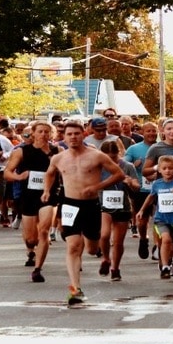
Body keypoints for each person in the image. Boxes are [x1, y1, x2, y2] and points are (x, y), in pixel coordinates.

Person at [42, 121, 124, 304]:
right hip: (69, 204)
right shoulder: (58, 158)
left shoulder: (97, 156)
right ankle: (75, 289)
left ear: (83, 135)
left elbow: (118, 174)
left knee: (91, 248)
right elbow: (49, 174)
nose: (73, 137)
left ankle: (99, 253)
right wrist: (46, 191)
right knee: (73, 245)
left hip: (91, 205)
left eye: (76, 134)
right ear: (64, 137)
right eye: (69, 134)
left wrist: (97, 186)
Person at [3, 121, 60, 282]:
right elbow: (7, 173)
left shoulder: (57, 151)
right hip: (28, 195)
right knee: (31, 238)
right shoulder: (22, 151)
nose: (43, 134)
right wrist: (18, 177)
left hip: (49, 195)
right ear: (33, 133)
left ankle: (38, 269)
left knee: (44, 231)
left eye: (47, 132)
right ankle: (31, 250)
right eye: (40, 131)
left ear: (51, 135)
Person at [135, 155, 173, 279]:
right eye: (164, 168)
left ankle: (166, 260)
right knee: (166, 239)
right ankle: (165, 268)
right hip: (161, 218)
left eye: (170, 168)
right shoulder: (157, 184)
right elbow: (151, 197)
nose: (167, 171)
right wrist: (141, 210)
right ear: (159, 170)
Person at [98, 141, 140, 281]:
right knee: (104, 235)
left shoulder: (127, 166)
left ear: (118, 154)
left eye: (114, 157)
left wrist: (130, 182)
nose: (111, 160)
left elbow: (136, 186)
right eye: (107, 157)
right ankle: (105, 258)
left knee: (118, 241)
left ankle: (115, 268)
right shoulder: (98, 167)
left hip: (122, 205)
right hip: (103, 204)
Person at [124, 122, 158, 258]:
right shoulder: (134, 149)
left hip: (160, 188)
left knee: (158, 219)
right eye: (148, 131)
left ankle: (158, 246)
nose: (151, 134)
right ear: (142, 133)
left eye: (154, 131)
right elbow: (123, 164)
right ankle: (143, 239)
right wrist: (133, 164)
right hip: (141, 189)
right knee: (142, 221)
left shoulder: (161, 147)